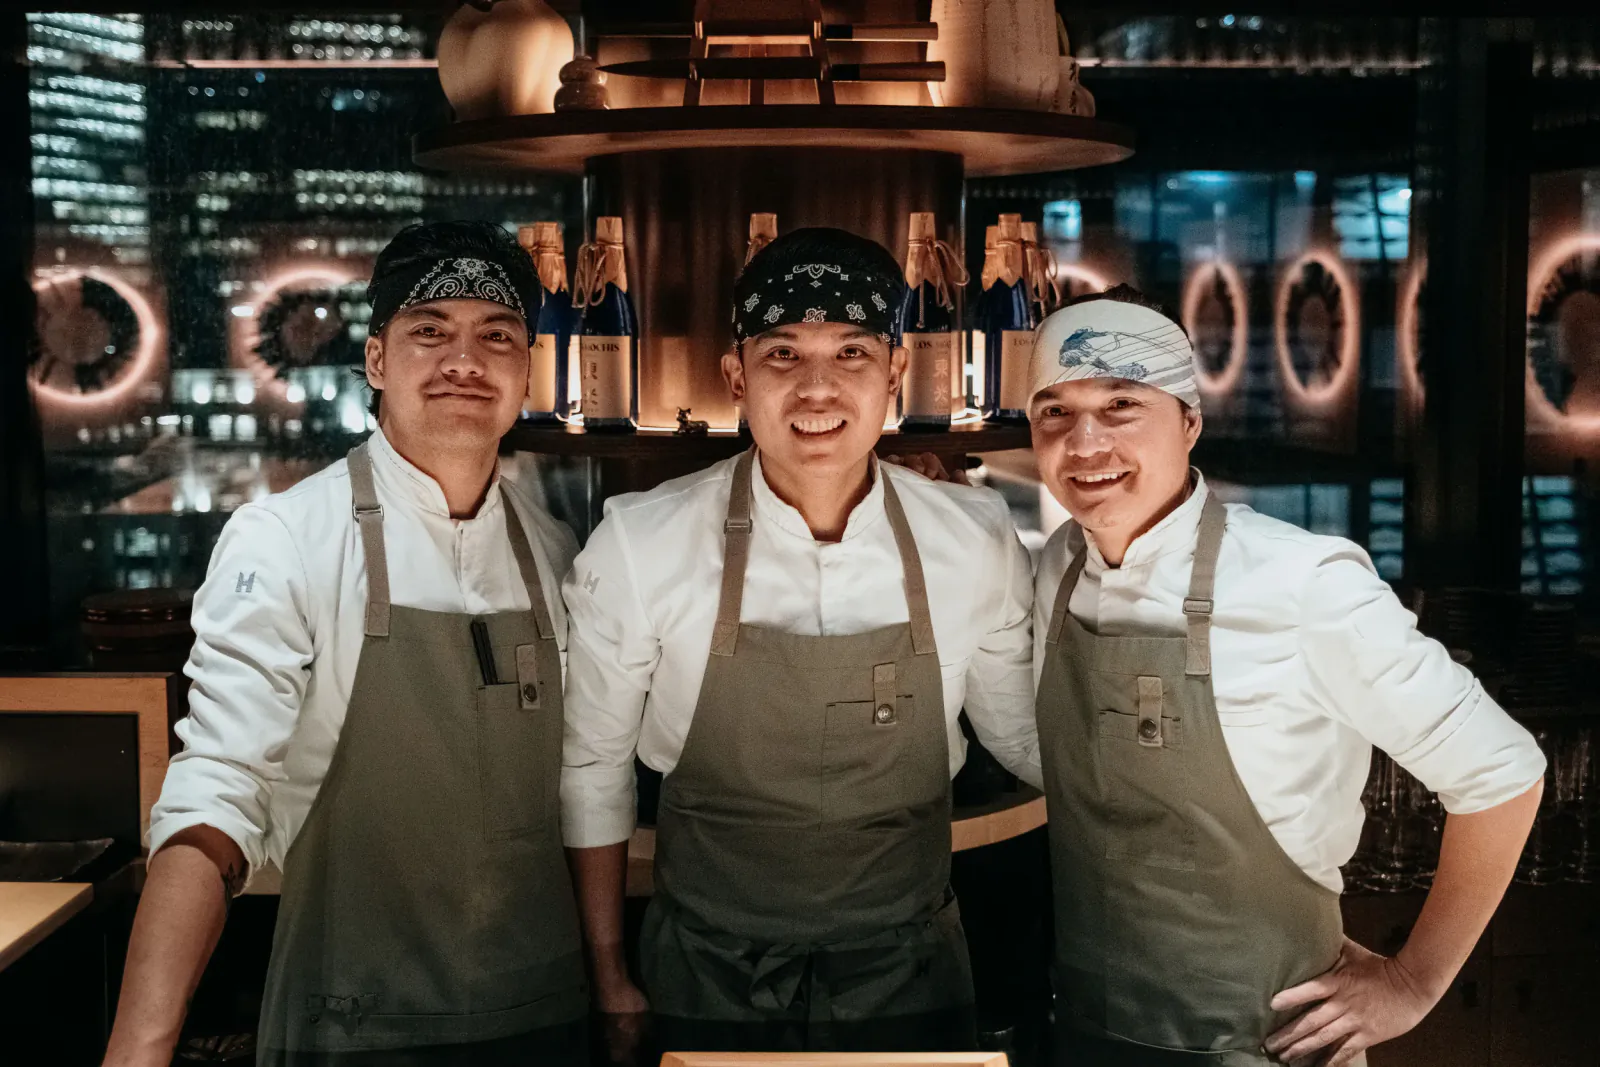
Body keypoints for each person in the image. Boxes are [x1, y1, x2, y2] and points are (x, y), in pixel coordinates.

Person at [103, 221, 589, 1067]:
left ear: (527, 372)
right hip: (350, 1021)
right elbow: (220, 789)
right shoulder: (285, 537)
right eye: (429, 332)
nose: (463, 360)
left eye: (496, 336)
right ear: (375, 362)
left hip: (540, 1015)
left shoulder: (554, 553)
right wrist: (138, 1049)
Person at [1028, 285, 1545, 1067]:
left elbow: (1504, 775)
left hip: (1264, 1046)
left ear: (1190, 421)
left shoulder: (1302, 580)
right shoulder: (1054, 571)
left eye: (1121, 404)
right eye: (1054, 412)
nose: (1084, 442)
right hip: (1089, 1039)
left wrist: (1413, 980)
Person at [560, 227, 1041, 1053]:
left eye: (851, 352)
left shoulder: (975, 537)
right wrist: (608, 972)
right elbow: (592, 767)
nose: (817, 387)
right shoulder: (642, 542)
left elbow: (1026, 740)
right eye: (783, 354)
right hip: (705, 977)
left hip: (914, 977)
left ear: (894, 374)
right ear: (736, 377)